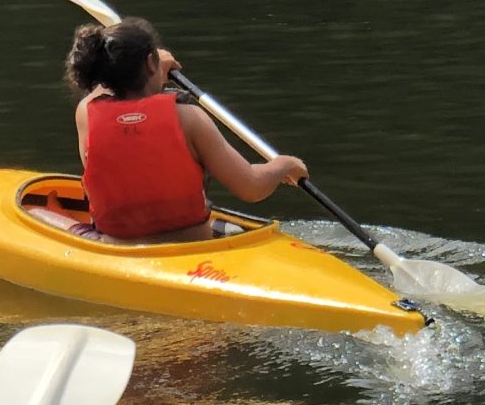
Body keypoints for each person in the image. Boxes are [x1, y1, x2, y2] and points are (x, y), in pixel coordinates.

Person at [70, 19, 311, 242]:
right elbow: (251, 187)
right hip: (191, 245)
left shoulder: (86, 115)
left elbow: (104, 94)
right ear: (151, 63)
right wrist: (284, 165)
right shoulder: (190, 118)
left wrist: (150, 67)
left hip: (118, 248)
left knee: (52, 217)